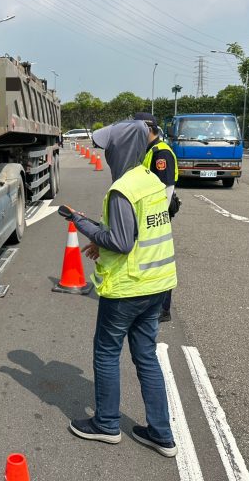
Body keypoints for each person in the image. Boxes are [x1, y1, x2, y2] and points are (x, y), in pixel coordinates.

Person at [63, 119, 178, 457]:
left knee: (107, 351)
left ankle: (107, 424)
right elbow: (137, 232)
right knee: (146, 355)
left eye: (109, 147)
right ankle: (161, 434)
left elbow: (122, 241)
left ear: (120, 149)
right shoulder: (150, 181)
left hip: (128, 287)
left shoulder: (122, 189)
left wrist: (81, 222)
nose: (107, 153)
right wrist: (105, 237)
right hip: (157, 285)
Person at [134, 112, 179, 323]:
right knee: (151, 258)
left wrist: (157, 216)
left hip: (157, 214)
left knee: (160, 260)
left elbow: (167, 187)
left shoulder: (161, 153)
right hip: (150, 213)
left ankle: (163, 309)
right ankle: (152, 303)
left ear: (146, 129)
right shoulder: (150, 150)